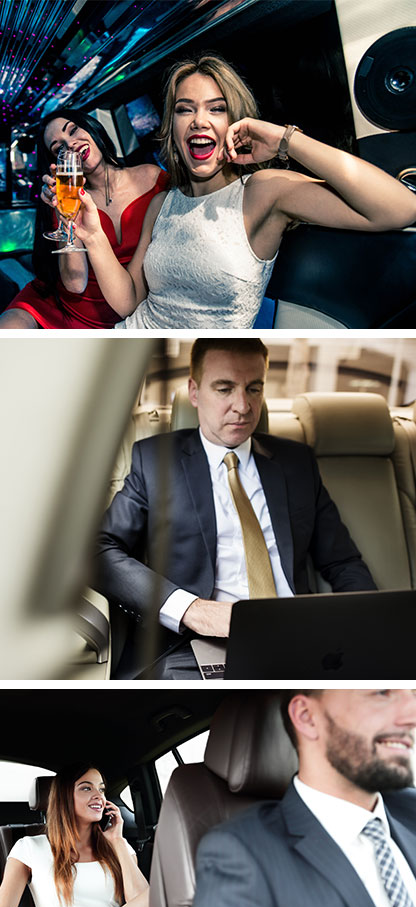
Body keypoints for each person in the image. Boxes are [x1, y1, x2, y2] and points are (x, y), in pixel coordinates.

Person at [94, 337, 376, 679]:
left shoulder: (296, 462)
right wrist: (192, 610)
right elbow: (101, 550)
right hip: (194, 645)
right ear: (195, 392)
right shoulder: (154, 460)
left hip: (300, 638)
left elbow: (343, 561)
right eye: (225, 389)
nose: (242, 406)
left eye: (253, 389)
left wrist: (362, 627)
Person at [71, 54, 416, 329]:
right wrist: (93, 235)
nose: (199, 121)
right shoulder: (162, 203)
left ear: (236, 121)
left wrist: (285, 140)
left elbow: (401, 208)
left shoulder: (263, 192)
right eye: (184, 109)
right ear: (172, 129)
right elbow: (130, 300)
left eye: (216, 108)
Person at [181, 688, 416, 907]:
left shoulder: (410, 809)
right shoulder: (240, 855)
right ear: (307, 717)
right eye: (382, 693)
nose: (412, 715)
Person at [0, 109, 168, 329]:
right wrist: (67, 218)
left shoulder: (155, 179)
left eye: (73, 130)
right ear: (56, 161)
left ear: (91, 127)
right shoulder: (68, 197)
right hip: (69, 305)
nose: (70, 144)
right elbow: (74, 283)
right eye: (59, 147)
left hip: (129, 303)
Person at [0, 764, 156, 907]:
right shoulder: (29, 847)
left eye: (101, 789)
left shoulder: (118, 846)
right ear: (63, 797)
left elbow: (143, 904)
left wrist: (117, 841)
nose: (98, 796)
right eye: (86, 788)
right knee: (165, 893)